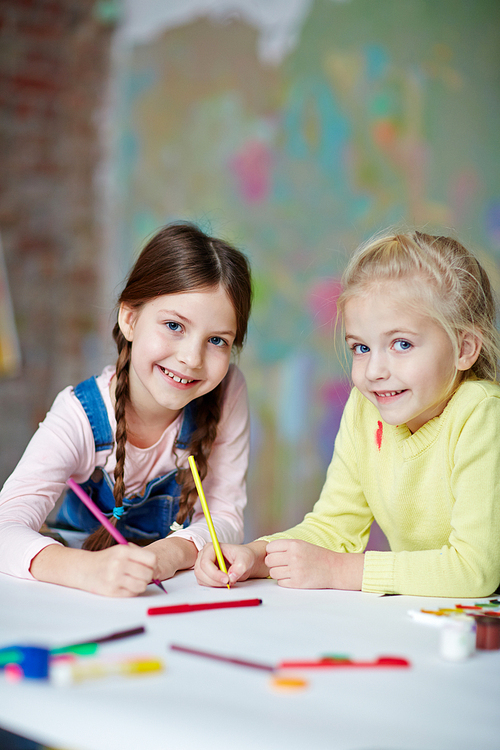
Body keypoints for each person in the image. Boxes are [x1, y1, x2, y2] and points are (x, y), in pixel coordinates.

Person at [195, 230, 500, 597]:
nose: (373, 371)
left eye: (401, 344)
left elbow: (474, 570)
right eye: (361, 347)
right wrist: (256, 556)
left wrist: (339, 571)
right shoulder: (364, 408)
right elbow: (333, 529)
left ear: (464, 348)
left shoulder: (482, 415)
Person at [0, 222, 252, 596]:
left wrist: (166, 555)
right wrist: (88, 570)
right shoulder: (80, 414)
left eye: (216, 340)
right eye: (173, 325)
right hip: (74, 596)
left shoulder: (227, 390)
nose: (191, 358)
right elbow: (6, 527)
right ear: (130, 319)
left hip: (166, 598)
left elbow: (225, 518)